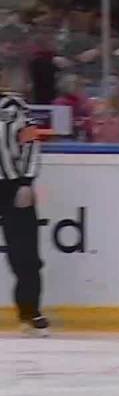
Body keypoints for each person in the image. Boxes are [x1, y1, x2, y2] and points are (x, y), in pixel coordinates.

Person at [0, 92, 49, 336]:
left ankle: (30, 312)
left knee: (25, 255)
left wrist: (26, 182)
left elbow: (31, 142)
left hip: (12, 187)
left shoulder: (16, 107)